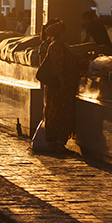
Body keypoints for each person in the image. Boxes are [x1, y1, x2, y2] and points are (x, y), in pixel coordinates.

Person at [36, 19, 79, 153]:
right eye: (64, 32)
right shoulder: (57, 47)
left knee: (53, 112)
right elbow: (58, 67)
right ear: (60, 34)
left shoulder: (58, 46)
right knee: (60, 113)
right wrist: (62, 83)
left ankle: (55, 144)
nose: (67, 34)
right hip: (60, 88)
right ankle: (58, 144)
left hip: (57, 87)